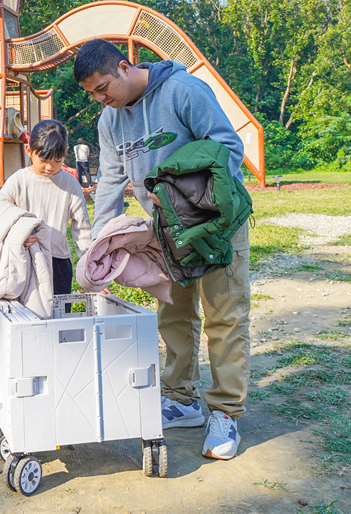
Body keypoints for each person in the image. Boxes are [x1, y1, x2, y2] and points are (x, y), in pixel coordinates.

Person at [73, 39, 250, 461]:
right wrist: (98, 246)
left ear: (124, 67)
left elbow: (228, 149)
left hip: (216, 221)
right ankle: (182, 400)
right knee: (174, 311)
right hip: (165, 231)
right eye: (92, 94)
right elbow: (112, 184)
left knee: (224, 315)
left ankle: (226, 412)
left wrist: (177, 192)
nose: (100, 99)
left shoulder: (183, 91)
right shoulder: (110, 121)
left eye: (103, 88)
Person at [0, 120, 92, 313]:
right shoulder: (17, 181)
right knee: (24, 317)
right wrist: (17, 237)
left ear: (65, 153)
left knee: (58, 316)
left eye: (58, 160)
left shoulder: (70, 184)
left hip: (58, 263)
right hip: (23, 260)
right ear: (29, 151)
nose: (50, 167)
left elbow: (82, 230)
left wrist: (89, 271)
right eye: (44, 160)